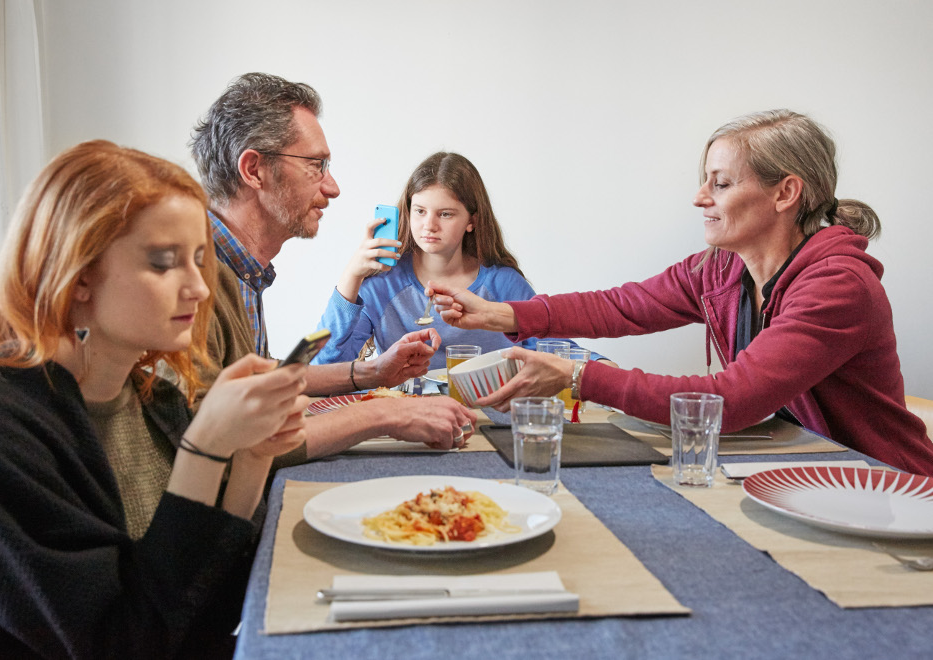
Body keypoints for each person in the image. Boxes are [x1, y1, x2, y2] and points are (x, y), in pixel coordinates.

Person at [0, 140, 310, 658]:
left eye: (199, 261)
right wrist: (203, 449)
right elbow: (116, 643)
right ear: (80, 274)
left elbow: (211, 605)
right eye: (164, 263)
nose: (200, 289)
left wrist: (253, 457)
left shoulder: (154, 400)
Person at [431, 109, 933, 476]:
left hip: (884, 486)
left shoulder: (837, 286)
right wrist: (500, 313)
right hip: (807, 468)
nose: (699, 198)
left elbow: (728, 401)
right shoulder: (720, 268)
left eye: (720, 183)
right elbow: (620, 306)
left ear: (785, 193)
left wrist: (579, 377)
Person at [188, 73, 476, 452]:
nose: (332, 187)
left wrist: (371, 372)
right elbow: (216, 441)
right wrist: (386, 414)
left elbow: (255, 379)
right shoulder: (193, 279)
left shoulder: (240, 270)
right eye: (316, 164)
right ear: (254, 170)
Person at [313, 151, 605, 370]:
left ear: (471, 221)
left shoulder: (502, 284)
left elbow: (552, 347)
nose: (429, 225)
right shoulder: (381, 285)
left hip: (487, 423)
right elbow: (327, 370)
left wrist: (604, 372)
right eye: (420, 211)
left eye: (446, 214)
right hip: (406, 422)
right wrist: (350, 278)